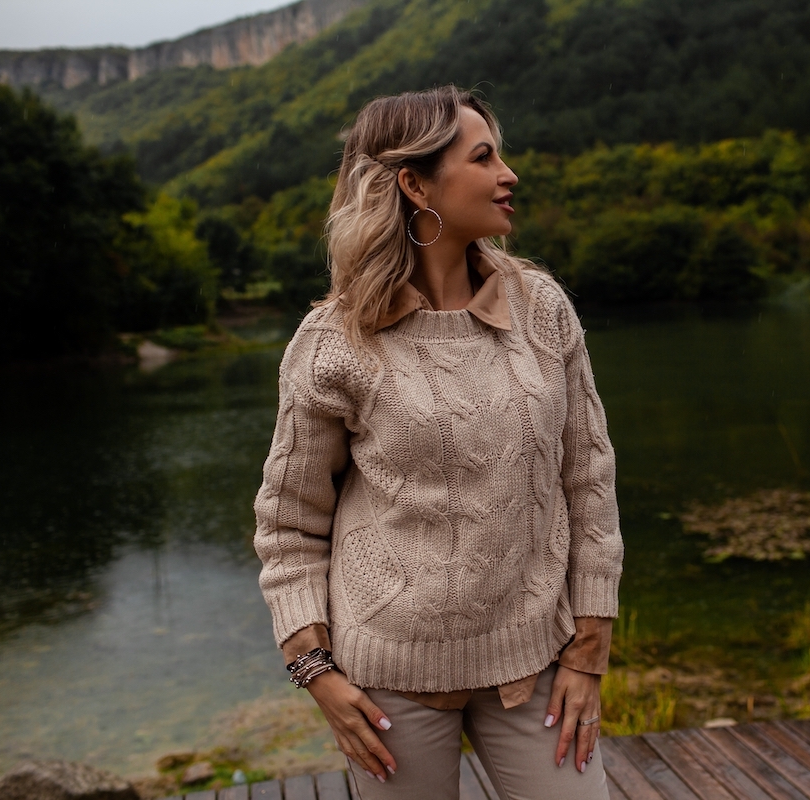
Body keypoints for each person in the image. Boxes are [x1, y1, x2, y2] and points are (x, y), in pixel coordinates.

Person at [252, 85, 623, 800]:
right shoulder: (334, 344)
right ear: (414, 183)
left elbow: (590, 482)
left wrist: (589, 649)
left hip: (535, 659)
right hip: (387, 682)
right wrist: (315, 670)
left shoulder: (542, 310)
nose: (508, 174)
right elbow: (289, 525)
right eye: (484, 158)